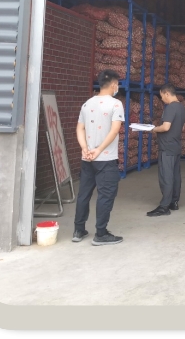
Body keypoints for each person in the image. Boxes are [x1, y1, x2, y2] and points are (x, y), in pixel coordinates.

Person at [73, 69, 126, 246]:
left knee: (84, 194)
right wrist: (99, 150)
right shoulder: (116, 104)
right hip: (106, 159)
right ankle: (101, 234)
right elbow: (115, 130)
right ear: (113, 85)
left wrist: (85, 148)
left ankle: (78, 230)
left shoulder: (87, 104)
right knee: (106, 195)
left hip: (87, 158)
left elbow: (79, 128)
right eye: (117, 84)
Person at [147, 83, 185, 217]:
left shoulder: (170, 107)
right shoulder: (181, 107)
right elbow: (181, 127)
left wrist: (154, 129)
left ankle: (164, 206)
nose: (162, 99)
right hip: (175, 145)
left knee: (166, 177)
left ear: (167, 94)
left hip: (167, 147)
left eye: (162, 96)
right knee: (175, 175)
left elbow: (165, 127)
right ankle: (174, 202)